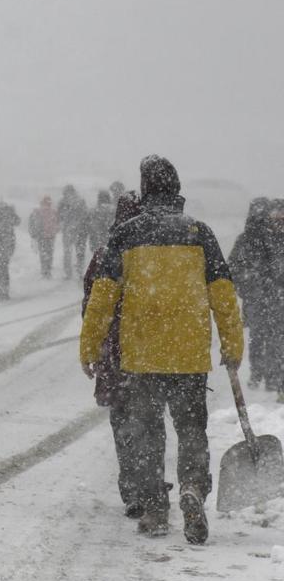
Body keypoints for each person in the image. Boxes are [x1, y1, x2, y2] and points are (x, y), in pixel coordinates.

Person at [80, 155, 243, 544]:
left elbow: (102, 300)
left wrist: (90, 345)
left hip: (141, 355)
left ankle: (154, 508)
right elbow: (223, 296)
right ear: (177, 188)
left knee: (148, 433)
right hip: (188, 355)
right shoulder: (200, 233)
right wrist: (232, 345)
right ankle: (192, 487)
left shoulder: (125, 235)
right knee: (191, 429)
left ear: (146, 188)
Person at [82, 191, 149, 517]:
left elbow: (90, 306)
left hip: (115, 353)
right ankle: (149, 483)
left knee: (123, 421)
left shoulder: (105, 254)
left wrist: (94, 345)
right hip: (148, 350)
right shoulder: (151, 254)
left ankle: (132, 487)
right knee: (149, 420)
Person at [230, 198, 284, 402]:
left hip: (270, 300)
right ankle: (263, 374)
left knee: (273, 338)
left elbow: (235, 268)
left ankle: (271, 376)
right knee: (262, 336)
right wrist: (249, 288)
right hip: (263, 299)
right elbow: (235, 267)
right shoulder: (255, 239)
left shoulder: (253, 239)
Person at [57, 184, 88, 278]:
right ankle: (80, 271)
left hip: (68, 230)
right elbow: (85, 214)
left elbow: (59, 216)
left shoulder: (62, 202)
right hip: (79, 230)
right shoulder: (81, 200)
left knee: (67, 252)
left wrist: (64, 223)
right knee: (80, 251)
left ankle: (68, 273)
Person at [27, 196, 59, 278]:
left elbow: (31, 223)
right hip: (51, 236)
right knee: (49, 253)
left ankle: (44, 270)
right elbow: (58, 223)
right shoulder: (54, 211)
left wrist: (33, 233)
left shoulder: (37, 211)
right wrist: (55, 231)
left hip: (41, 236)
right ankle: (48, 270)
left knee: (43, 253)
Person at [87, 190, 115, 256]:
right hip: (110, 239)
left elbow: (90, 226)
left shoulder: (93, 210)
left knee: (98, 259)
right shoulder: (113, 209)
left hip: (97, 239)